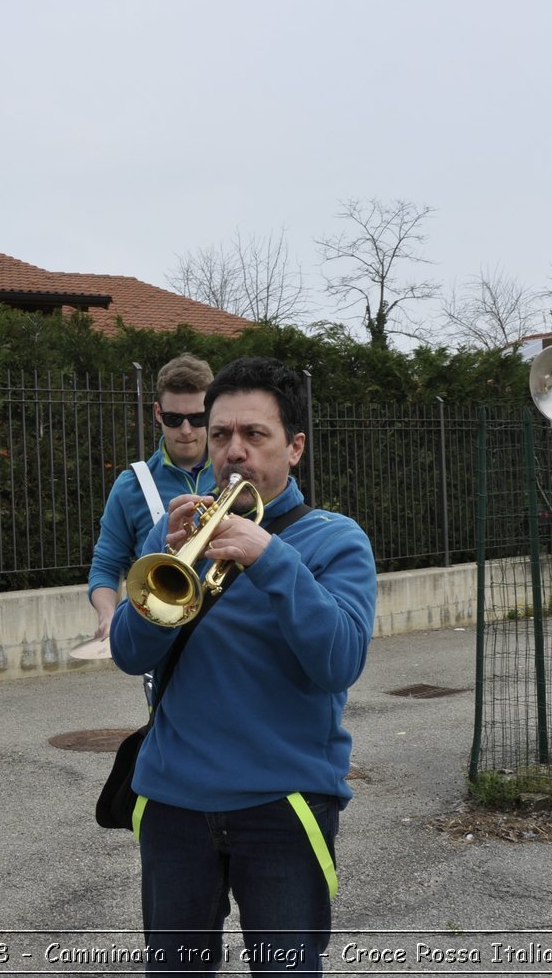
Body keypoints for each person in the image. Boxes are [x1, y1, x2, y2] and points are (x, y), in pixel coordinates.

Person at [109, 356, 377, 975]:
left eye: (255, 435)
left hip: (285, 804)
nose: (234, 450)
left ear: (295, 447)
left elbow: (339, 661)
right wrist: (163, 554)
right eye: (221, 433)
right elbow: (129, 652)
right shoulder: (174, 532)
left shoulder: (336, 540)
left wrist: (272, 558)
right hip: (174, 800)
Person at [88, 354, 214, 640]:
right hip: (163, 644)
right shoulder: (130, 485)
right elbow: (107, 565)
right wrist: (108, 615)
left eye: (197, 418)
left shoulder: (237, 474)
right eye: (173, 418)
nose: (186, 430)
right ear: (157, 413)